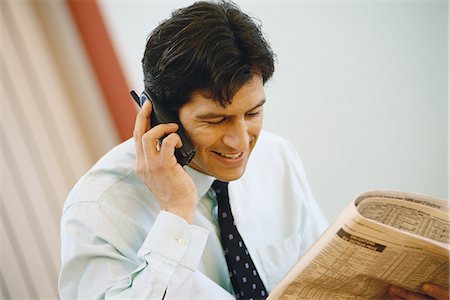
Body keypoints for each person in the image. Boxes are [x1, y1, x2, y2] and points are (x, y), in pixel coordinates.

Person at [59, 1, 448, 299]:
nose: (240, 141)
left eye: (253, 113)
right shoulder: (98, 209)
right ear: (158, 113)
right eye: (216, 120)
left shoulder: (277, 158)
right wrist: (176, 214)